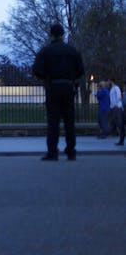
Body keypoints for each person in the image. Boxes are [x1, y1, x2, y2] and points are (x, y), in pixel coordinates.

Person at [32, 23, 84, 161]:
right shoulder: (72, 51)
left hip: (53, 87)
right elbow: (81, 70)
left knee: (53, 122)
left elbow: (37, 70)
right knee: (69, 121)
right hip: (68, 87)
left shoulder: (45, 51)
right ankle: (71, 151)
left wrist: (47, 77)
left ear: (51, 34)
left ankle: (53, 152)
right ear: (63, 34)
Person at [109, 80, 124, 145]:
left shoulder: (116, 88)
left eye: (109, 81)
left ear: (111, 81)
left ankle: (121, 138)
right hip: (113, 108)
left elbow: (118, 97)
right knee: (115, 122)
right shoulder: (112, 89)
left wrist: (115, 105)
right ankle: (115, 133)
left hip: (117, 107)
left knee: (119, 124)